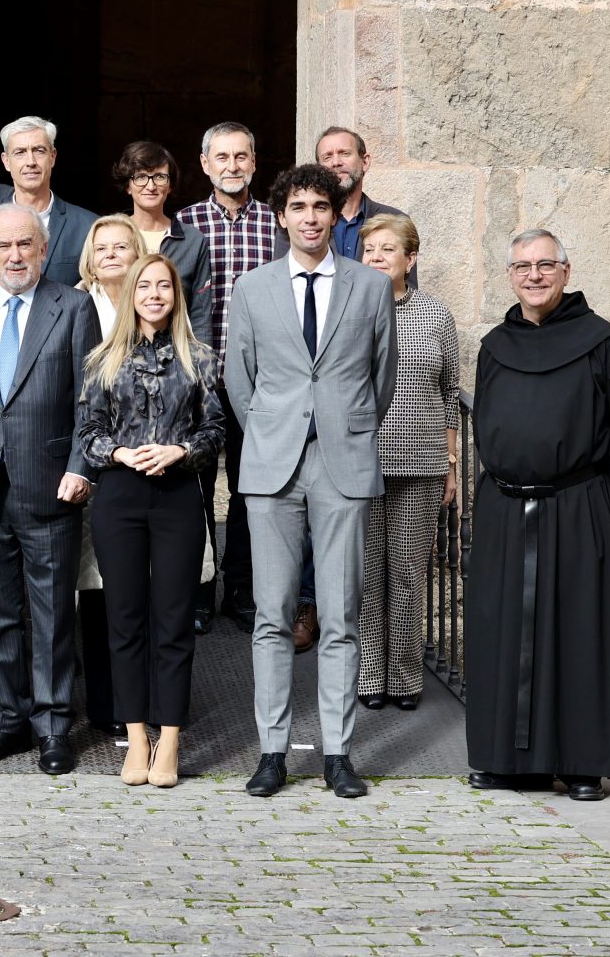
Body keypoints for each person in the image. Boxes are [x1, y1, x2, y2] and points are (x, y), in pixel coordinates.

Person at [224, 163, 396, 800]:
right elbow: (240, 380)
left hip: (342, 462)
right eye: (298, 207)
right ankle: (271, 751)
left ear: (334, 212)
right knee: (271, 616)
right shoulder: (253, 287)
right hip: (272, 462)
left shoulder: (370, 288)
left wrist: (341, 428)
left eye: (321, 206)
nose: (311, 217)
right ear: (282, 216)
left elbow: (381, 380)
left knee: (340, 613)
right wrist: (275, 428)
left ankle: (337, 753)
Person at [466, 229, 610, 802]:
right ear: (510, 277)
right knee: (505, 633)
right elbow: (485, 424)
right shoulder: (495, 345)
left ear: (567, 272)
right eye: (522, 266)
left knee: (578, 632)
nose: (535, 275)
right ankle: (510, 762)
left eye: (546, 265)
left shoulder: (601, 343)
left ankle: (581, 764)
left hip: (577, 507)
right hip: (503, 505)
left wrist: (598, 496)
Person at [0, 203, 99, 777]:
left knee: (53, 611)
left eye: (24, 245)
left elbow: (91, 399)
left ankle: (53, 723)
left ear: (43, 246)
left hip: (50, 483)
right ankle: (10, 716)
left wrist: (82, 466)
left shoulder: (73, 308)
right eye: (3, 246)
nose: (14, 256)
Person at [78, 253, 224, 788]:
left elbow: (216, 431)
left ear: (176, 295)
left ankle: (171, 738)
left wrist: (180, 451)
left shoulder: (201, 358)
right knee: (124, 620)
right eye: (146, 285)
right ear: (131, 293)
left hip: (177, 495)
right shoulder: (103, 359)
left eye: (164, 285)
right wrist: (118, 454)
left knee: (173, 622)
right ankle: (136, 737)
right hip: (120, 496)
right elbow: (88, 431)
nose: (155, 294)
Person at [179, 122, 281, 636]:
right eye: (222, 157)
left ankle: (241, 590)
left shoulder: (275, 225)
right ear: (205, 164)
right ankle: (198, 591)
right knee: (195, 491)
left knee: (249, 490)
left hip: (258, 382)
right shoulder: (184, 224)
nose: (232, 166)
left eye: (242, 156)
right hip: (197, 380)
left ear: (254, 163)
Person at [357, 214, 458, 712]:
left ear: (409, 259)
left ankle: (404, 676)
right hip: (362, 462)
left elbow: (447, 392)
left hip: (421, 462)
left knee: (408, 573)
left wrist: (452, 461)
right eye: (369, 249)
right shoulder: (348, 310)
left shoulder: (436, 315)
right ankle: (371, 673)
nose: (376, 258)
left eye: (387, 250)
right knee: (367, 573)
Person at [71, 214, 145, 735]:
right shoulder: (74, 303)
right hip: (95, 463)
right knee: (97, 592)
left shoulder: (157, 299)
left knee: (144, 591)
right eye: (103, 247)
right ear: (90, 256)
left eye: (123, 245)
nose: (113, 255)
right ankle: (105, 705)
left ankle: (143, 702)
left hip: (151, 463)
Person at [112, 140, 213, 347]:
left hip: (175, 358)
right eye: (140, 177)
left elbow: (200, 313)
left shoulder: (192, 241)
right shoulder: (110, 236)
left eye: (159, 177)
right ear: (128, 186)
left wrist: (202, 366)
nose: (151, 186)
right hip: (118, 353)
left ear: (169, 185)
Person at [0, 116, 96, 286]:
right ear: (6, 161)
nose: (31, 162)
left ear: (53, 157)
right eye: (20, 152)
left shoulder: (88, 226)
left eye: (39, 151)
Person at [315, 126, 407, 265]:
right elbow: (279, 281)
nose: (336, 162)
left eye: (344, 153)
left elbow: (407, 286)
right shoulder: (299, 221)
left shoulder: (396, 220)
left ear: (365, 162)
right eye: (327, 157)